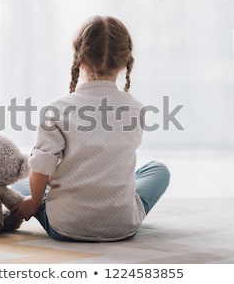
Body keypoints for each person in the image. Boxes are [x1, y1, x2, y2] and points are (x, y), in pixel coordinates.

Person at [11, 16, 170, 242]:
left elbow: (40, 169)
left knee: (22, 183)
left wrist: (34, 202)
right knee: (158, 170)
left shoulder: (55, 110)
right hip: (122, 226)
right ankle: (117, 205)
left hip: (64, 226)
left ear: (79, 59)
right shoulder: (137, 108)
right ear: (125, 62)